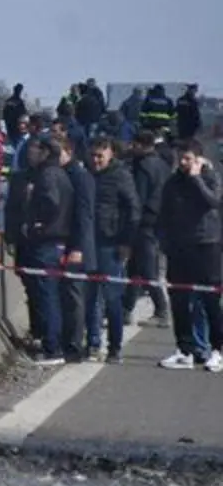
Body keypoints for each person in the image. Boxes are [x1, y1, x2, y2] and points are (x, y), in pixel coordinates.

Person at [156, 138, 222, 371]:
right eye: (180, 158)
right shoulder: (173, 182)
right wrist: (164, 241)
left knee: (209, 299)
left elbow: (213, 202)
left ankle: (217, 349)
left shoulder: (210, 177)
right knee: (179, 299)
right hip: (179, 246)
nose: (183, 163)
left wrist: (196, 178)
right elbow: (164, 212)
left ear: (198, 159)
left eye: (188, 159)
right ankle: (184, 350)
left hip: (206, 244)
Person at [18, 137, 74, 365]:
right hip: (57, 241)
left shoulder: (48, 175)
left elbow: (51, 202)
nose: (31, 153)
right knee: (50, 294)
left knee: (46, 295)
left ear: (45, 152)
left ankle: (52, 348)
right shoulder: (60, 174)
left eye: (36, 149)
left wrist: (38, 223)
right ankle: (52, 342)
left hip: (47, 242)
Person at [88, 138, 140, 364]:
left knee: (112, 298)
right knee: (90, 297)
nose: (96, 160)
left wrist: (126, 242)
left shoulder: (121, 176)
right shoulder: (87, 175)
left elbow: (133, 210)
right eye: (93, 155)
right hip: (89, 242)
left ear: (110, 155)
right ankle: (93, 343)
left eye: (100, 156)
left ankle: (114, 347)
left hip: (111, 243)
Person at [124, 131, 172, 327]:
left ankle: (161, 309)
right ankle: (126, 309)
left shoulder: (143, 166)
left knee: (147, 268)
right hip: (157, 220)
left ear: (140, 145)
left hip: (144, 222)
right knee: (135, 268)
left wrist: (130, 221)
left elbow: (139, 197)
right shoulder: (162, 164)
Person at [57, 137, 96, 362]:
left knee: (74, 297)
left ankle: (74, 346)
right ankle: (66, 341)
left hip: (76, 246)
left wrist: (79, 247)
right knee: (65, 296)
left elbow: (84, 214)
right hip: (64, 243)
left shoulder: (80, 177)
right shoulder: (62, 174)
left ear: (68, 152)